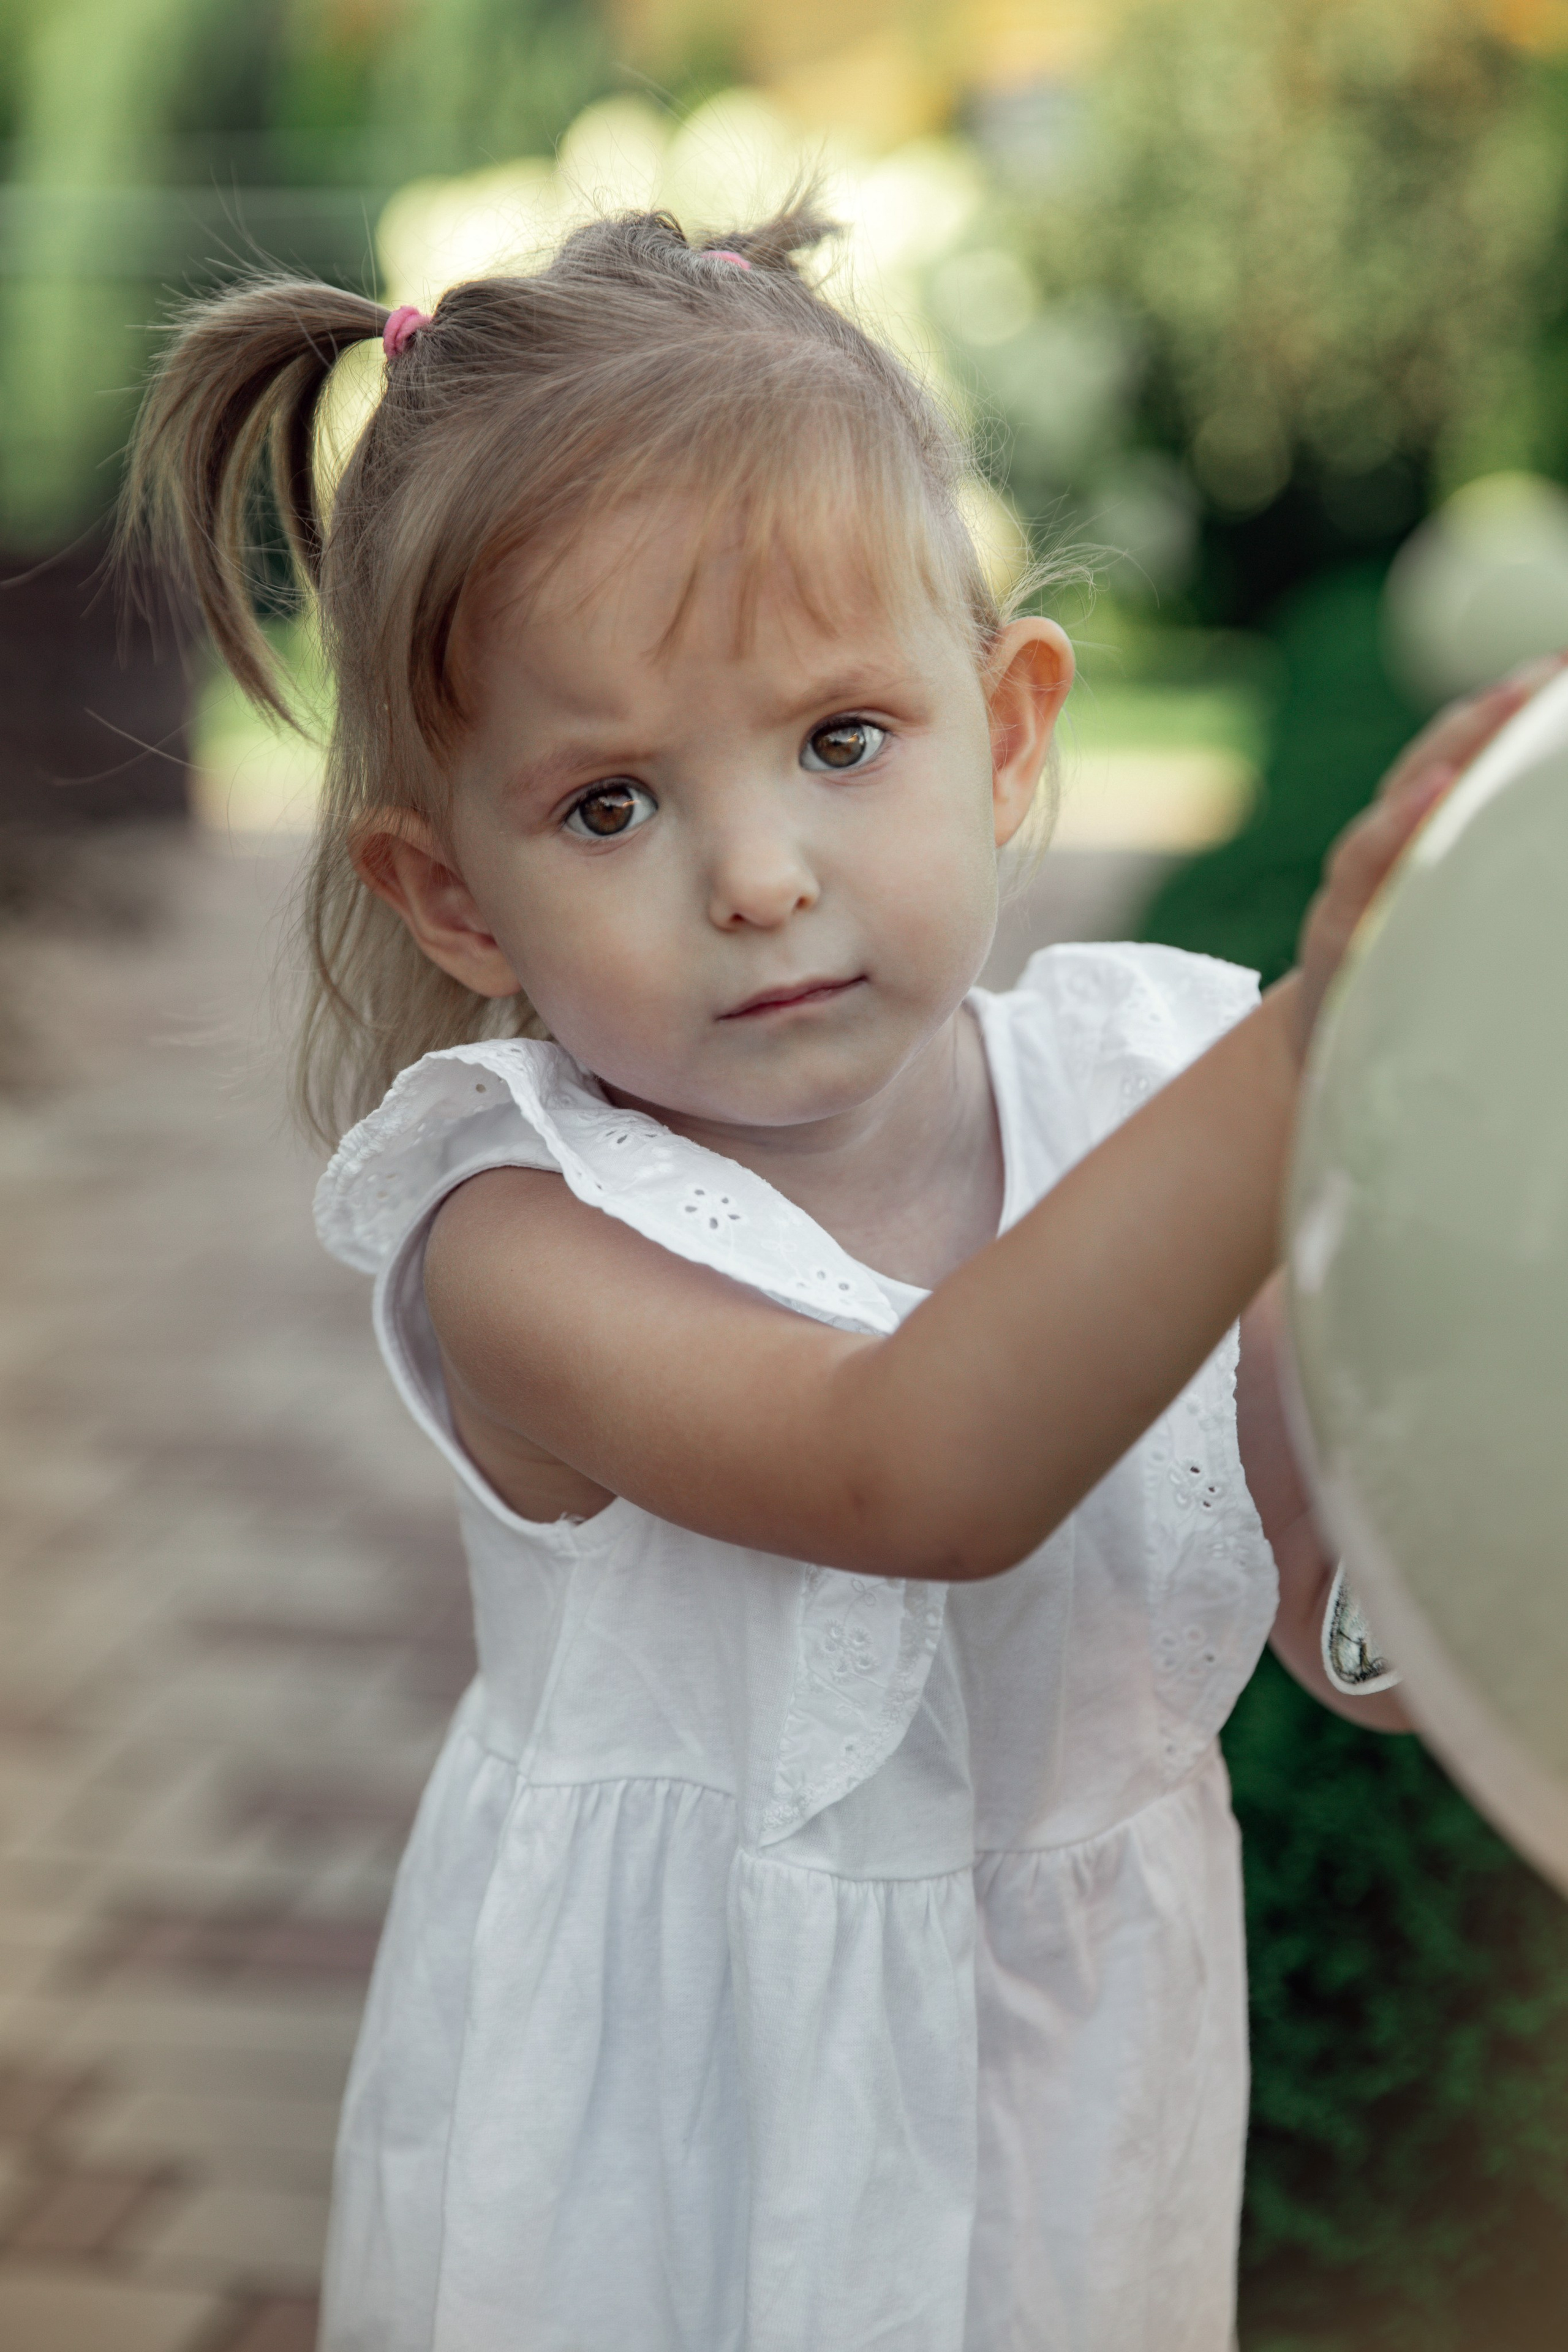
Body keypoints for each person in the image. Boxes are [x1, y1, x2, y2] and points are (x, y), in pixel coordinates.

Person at [123, 203, 1527, 2352]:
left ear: (1010, 731)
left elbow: (1343, 1591)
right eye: (611, 805)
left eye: (844, 741)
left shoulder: (1137, 1088)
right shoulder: (517, 1230)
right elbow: (913, 1476)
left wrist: (1449, 1499)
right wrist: (1321, 1045)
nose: (762, 877)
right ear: (454, 895)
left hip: (1068, 2109)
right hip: (661, 2153)